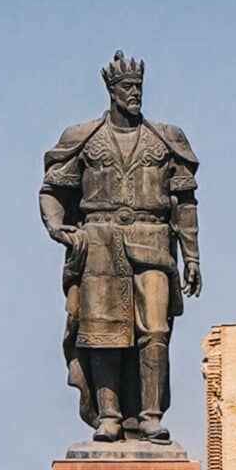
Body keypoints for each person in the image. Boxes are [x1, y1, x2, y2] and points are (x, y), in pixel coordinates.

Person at [39, 52, 202, 443]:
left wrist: (192, 256)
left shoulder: (166, 139)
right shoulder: (84, 138)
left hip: (153, 241)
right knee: (101, 333)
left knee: (156, 331)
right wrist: (59, 228)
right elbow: (53, 190)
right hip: (99, 243)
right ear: (111, 91)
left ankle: (150, 415)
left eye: (138, 88)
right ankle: (108, 415)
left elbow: (186, 203)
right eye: (127, 88)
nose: (134, 94)